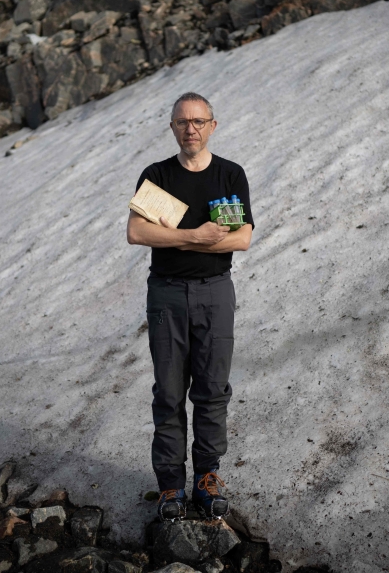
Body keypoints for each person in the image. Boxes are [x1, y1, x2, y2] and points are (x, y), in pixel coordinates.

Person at [126, 92, 254, 521]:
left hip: (216, 291)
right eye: (183, 122)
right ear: (172, 128)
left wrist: (185, 236)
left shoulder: (230, 175)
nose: (191, 129)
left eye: (199, 121)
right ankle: (169, 486)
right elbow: (137, 232)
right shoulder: (157, 175)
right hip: (166, 293)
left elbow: (242, 238)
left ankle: (207, 478)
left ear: (213, 126)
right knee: (168, 391)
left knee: (213, 390)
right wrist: (196, 237)